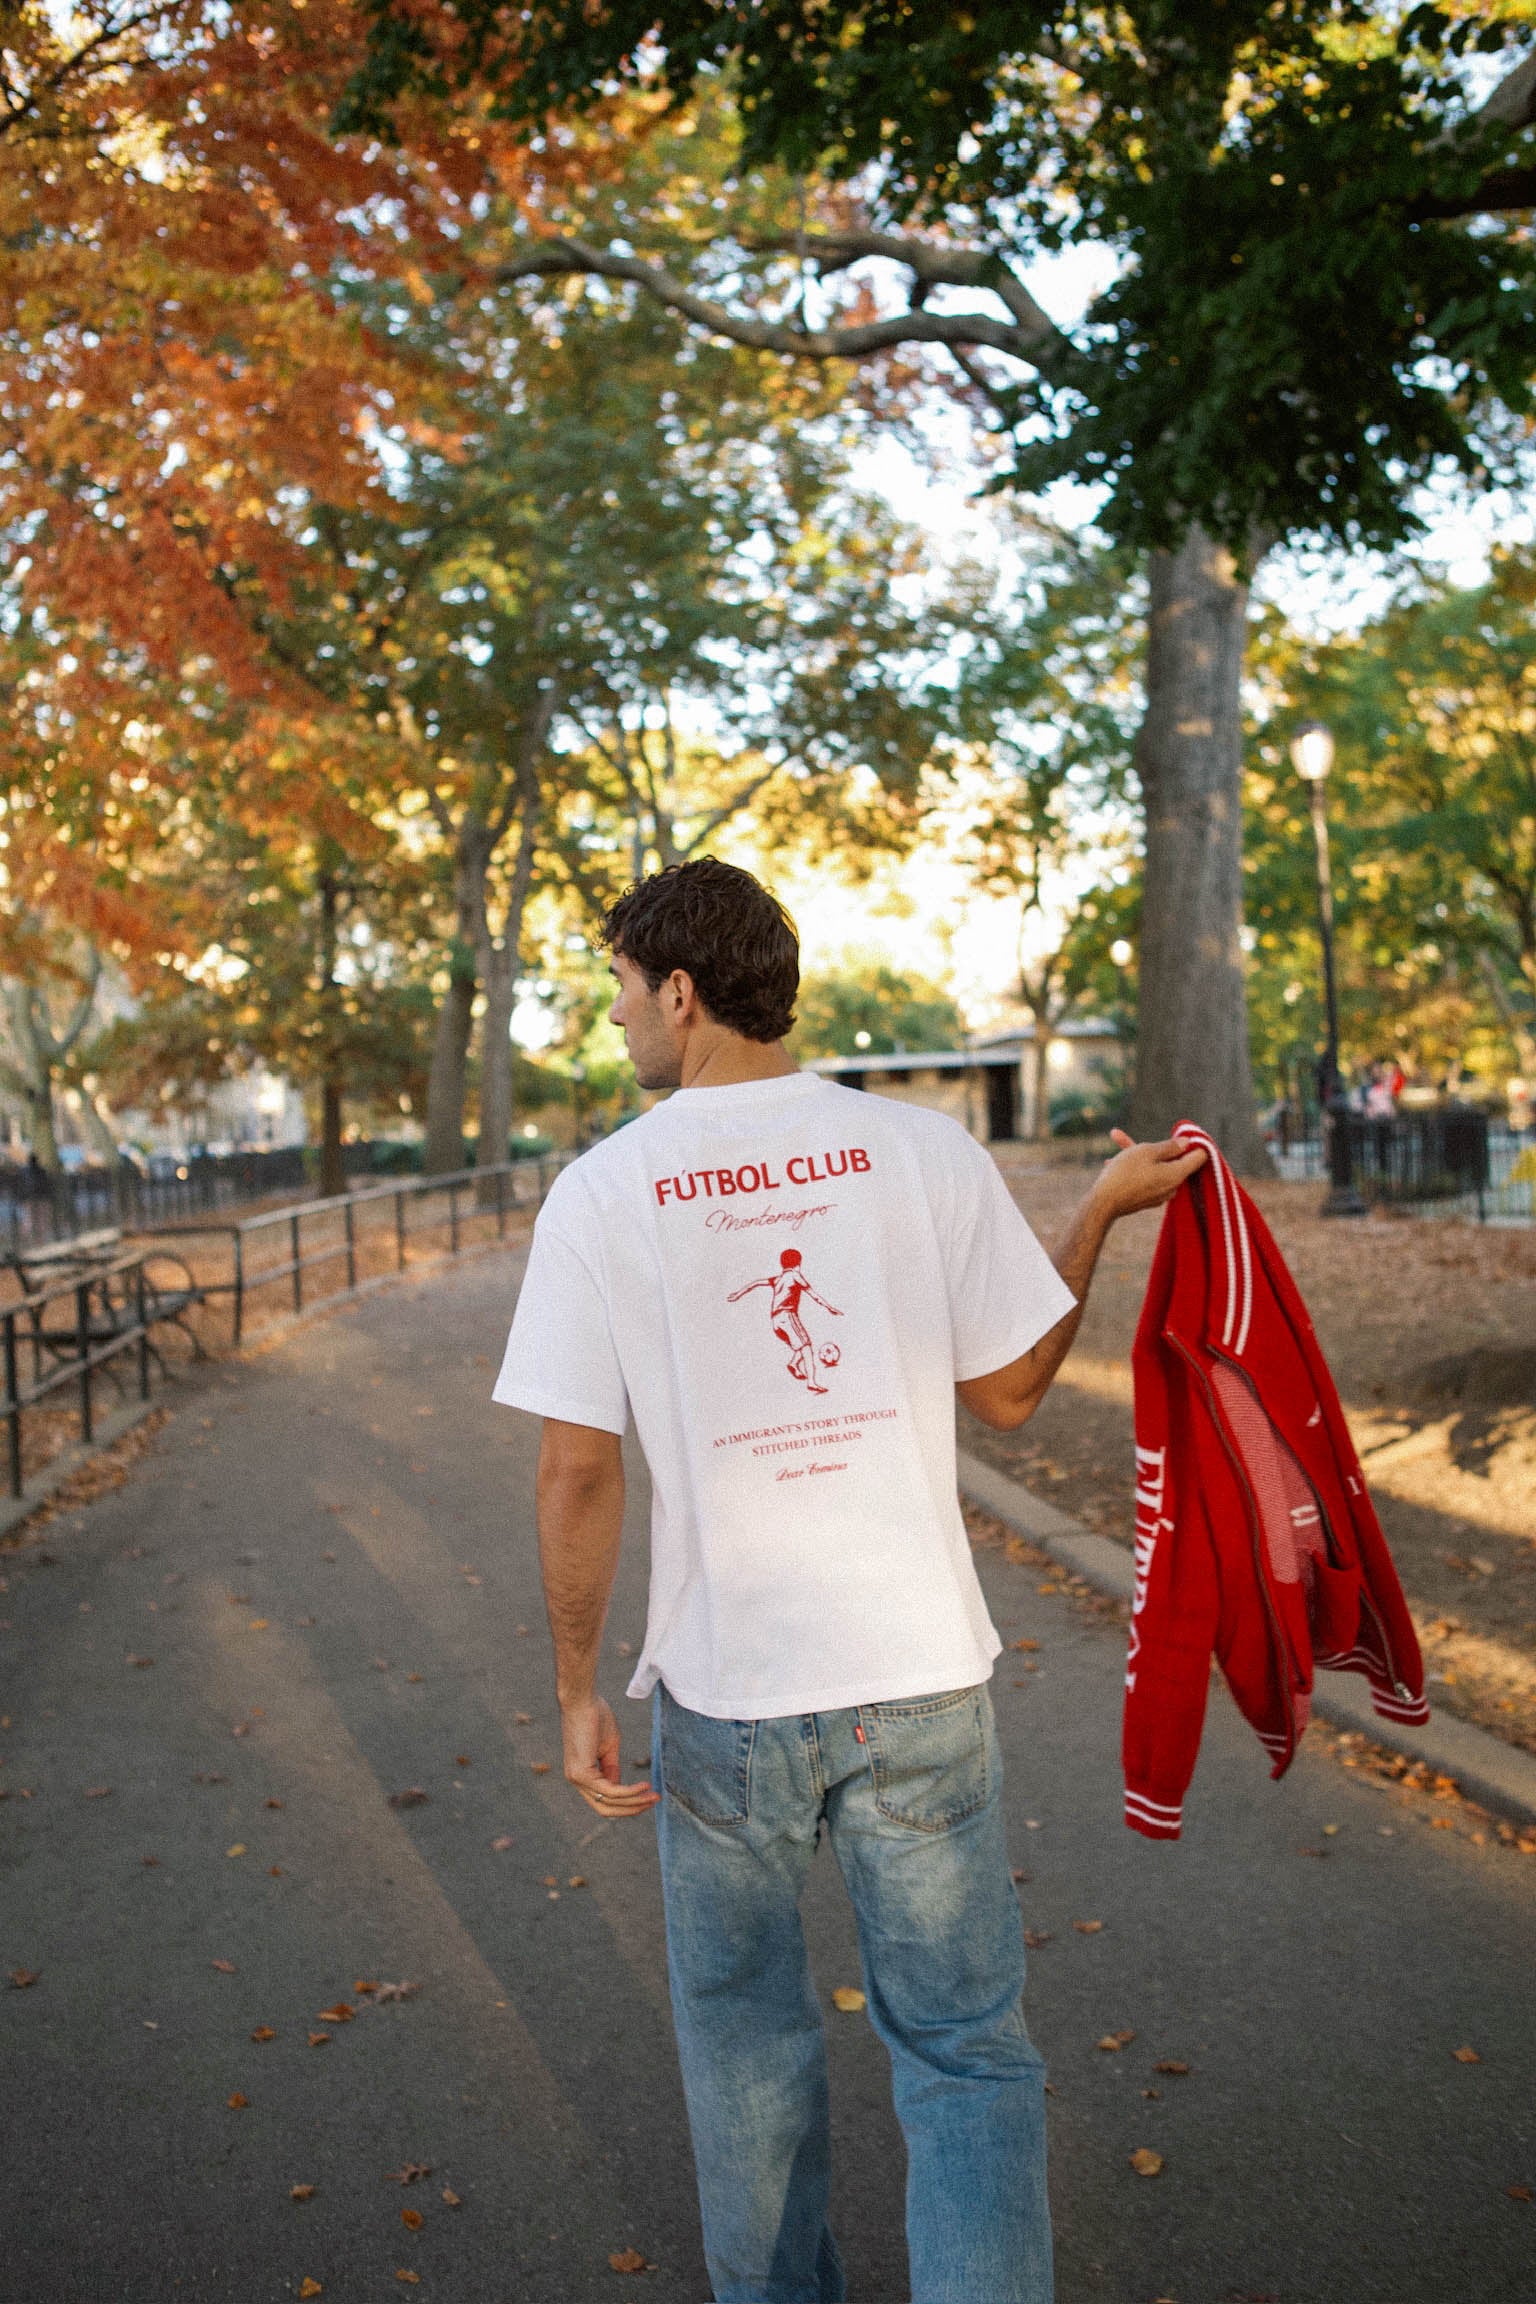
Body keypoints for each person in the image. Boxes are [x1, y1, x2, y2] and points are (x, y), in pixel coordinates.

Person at [492, 858, 1205, 2304]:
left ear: (680, 993)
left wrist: (573, 1685)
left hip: (731, 1693)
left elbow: (578, 1471)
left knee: (751, 2058)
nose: (619, 1017)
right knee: (964, 2053)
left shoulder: (606, 1191)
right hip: (919, 1679)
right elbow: (1008, 1389)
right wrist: (1097, 1218)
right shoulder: (922, 1151)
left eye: (624, 990)